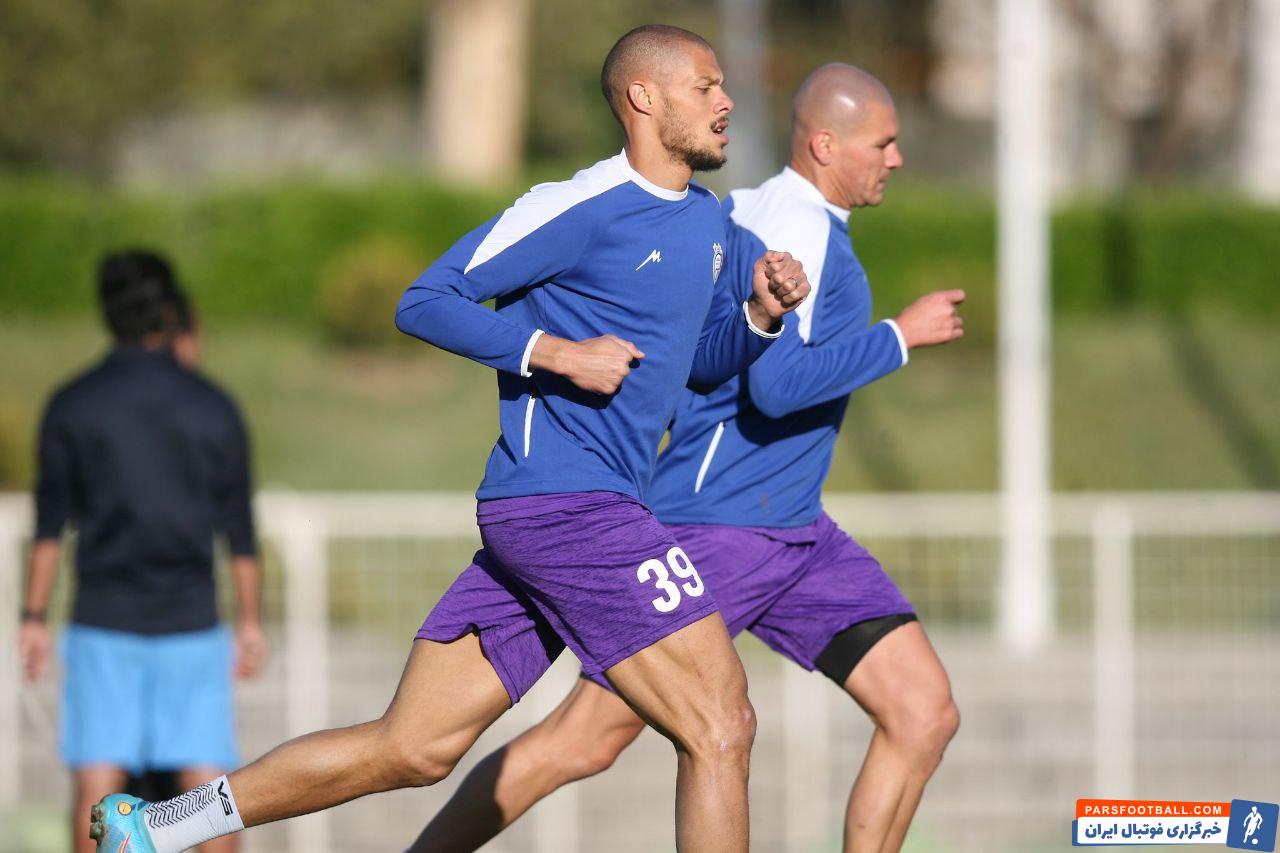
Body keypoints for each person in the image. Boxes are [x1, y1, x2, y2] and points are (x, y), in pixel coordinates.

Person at [90, 24, 809, 853]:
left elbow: (696, 366)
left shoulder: (709, 224)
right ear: (645, 98)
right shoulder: (574, 207)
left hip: (565, 516)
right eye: (707, 87)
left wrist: (760, 315)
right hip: (571, 508)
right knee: (721, 723)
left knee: (412, 747)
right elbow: (425, 300)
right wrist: (553, 352)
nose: (727, 102)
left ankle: (154, 827)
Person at [407, 63, 965, 853]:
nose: (897, 158)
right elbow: (776, 387)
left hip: (795, 528)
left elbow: (719, 338)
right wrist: (899, 338)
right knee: (582, 740)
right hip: (719, 525)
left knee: (923, 710)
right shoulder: (790, 224)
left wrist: (762, 314)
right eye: (884, 143)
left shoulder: (743, 218)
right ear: (825, 143)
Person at [17, 250, 268, 853]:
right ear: (171, 311)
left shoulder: (73, 403)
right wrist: (250, 621)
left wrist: (33, 617)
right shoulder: (213, 404)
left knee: (97, 790)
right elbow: (239, 531)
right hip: (192, 623)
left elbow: (50, 525)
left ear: (109, 313)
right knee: (210, 792)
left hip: (103, 621)